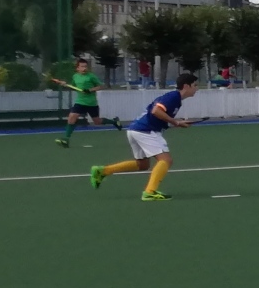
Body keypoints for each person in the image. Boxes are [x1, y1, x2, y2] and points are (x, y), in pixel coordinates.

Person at [91, 72, 197, 201]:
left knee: (142, 165)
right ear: (186, 86)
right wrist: (175, 122)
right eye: (195, 85)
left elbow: (158, 116)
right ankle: (149, 192)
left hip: (135, 129)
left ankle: (103, 171)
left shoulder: (175, 99)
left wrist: (177, 123)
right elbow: (156, 111)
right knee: (166, 160)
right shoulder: (174, 97)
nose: (196, 88)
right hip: (145, 130)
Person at [51, 55, 105, 148]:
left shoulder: (91, 76)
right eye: (82, 66)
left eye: (85, 66)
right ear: (77, 68)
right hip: (80, 102)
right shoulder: (75, 76)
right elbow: (72, 86)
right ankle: (66, 139)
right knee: (72, 117)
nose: (84, 68)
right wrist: (65, 84)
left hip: (91, 103)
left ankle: (115, 122)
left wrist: (90, 90)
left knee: (97, 121)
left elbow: (100, 86)